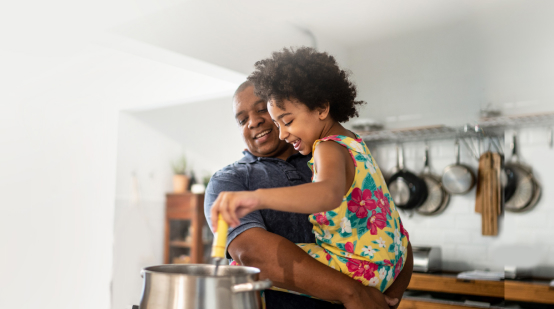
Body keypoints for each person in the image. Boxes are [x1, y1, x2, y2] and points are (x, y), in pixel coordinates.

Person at [210, 47, 412, 307]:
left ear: (321, 108)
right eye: (242, 120)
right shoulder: (354, 143)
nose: (282, 133)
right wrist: (393, 292)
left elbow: (326, 194)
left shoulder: (326, 148)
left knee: (237, 267)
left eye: (286, 120)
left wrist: (256, 198)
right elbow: (391, 222)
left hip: (360, 266)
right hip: (388, 263)